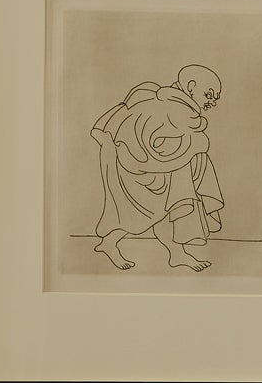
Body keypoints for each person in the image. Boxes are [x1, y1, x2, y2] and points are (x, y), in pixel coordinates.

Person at [89, 63, 223, 271]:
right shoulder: (167, 104)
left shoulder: (176, 105)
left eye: (216, 97)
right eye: (209, 94)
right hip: (137, 170)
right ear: (191, 86)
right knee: (140, 212)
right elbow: (138, 131)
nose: (212, 101)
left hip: (160, 170)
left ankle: (177, 254)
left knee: (167, 210)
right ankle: (109, 243)